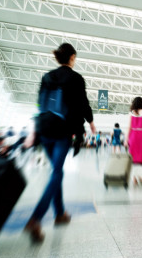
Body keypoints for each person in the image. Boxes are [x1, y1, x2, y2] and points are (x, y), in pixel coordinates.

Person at [24, 43, 96, 243]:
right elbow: (83, 103)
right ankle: (36, 218)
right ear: (72, 57)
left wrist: (34, 130)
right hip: (63, 130)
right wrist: (90, 122)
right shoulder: (76, 78)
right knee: (56, 172)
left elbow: (39, 104)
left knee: (56, 171)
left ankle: (60, 214)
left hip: (45, 129)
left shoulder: (47, 77)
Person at [125, 97, 142, 186]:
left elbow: (128, 127)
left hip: (133, 136)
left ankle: (134, 178)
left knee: (133, 159)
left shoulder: (131, 114)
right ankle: (140, 177)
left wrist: (126, 140)